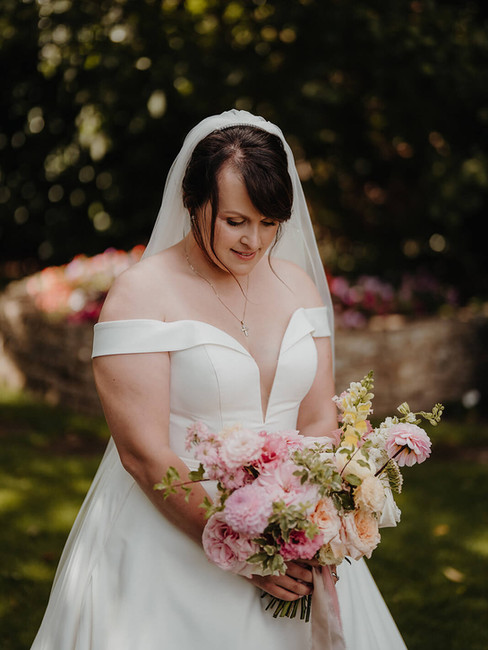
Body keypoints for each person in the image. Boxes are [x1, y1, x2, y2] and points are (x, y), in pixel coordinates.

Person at [30, 110, 407, 649]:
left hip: (293, 534)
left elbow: (319, 417)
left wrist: (310, 520)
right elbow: (142, 452)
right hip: (171, 537)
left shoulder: (299, 286)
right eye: (236, 221)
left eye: (269, 223)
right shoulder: (141, 295)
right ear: (194, 202)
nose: (255, 241)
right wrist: (244, 549)